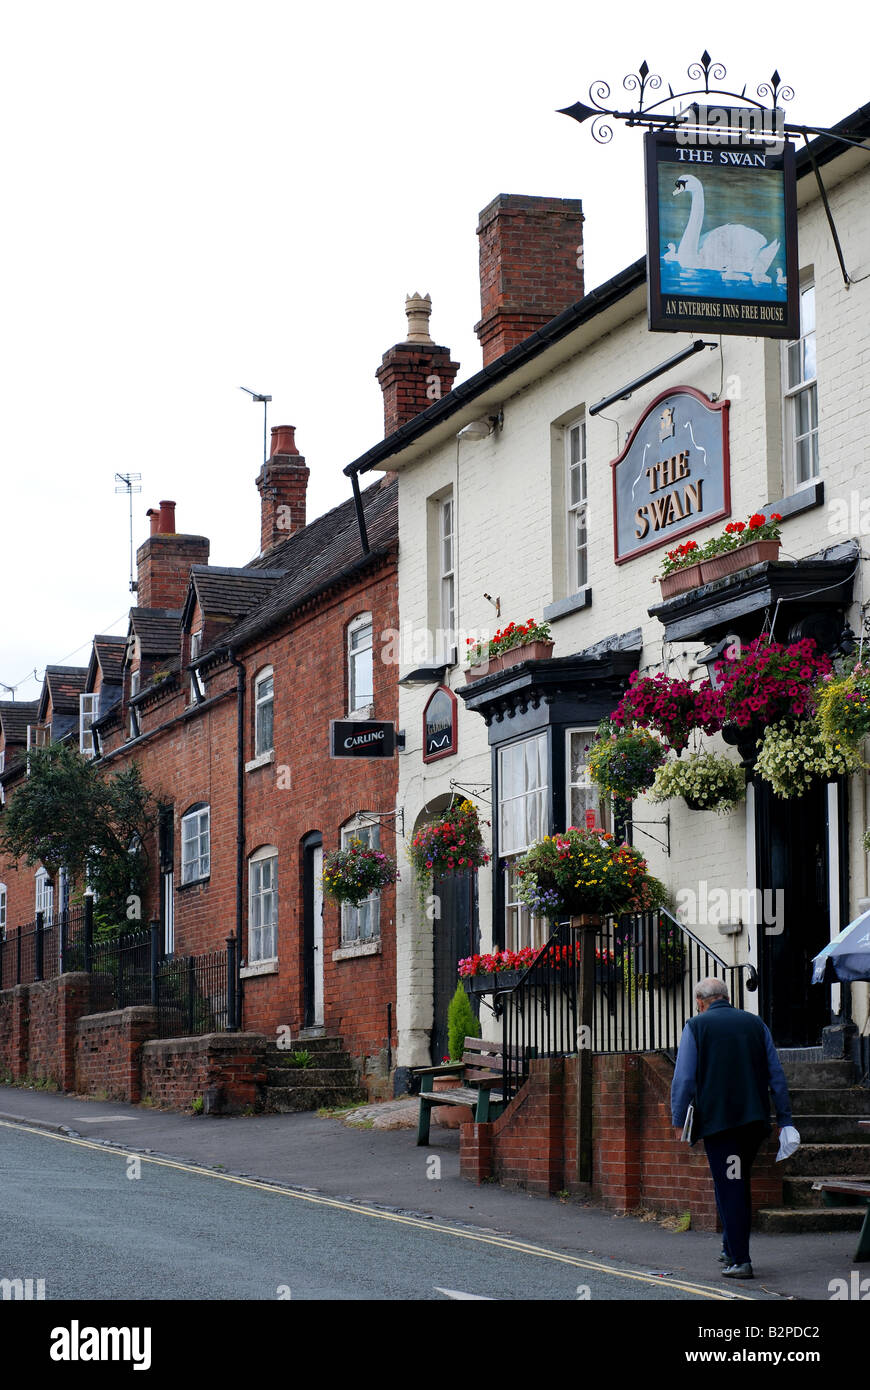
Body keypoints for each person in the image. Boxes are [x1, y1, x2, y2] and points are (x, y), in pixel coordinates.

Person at [670, 976, 793, 1279]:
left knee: (732, 1187)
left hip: (721, 1124)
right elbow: (776, 1074)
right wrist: (785, 1119)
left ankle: (741, 1259)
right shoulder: (755, 1024)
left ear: (700, 1002)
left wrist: (677, 1119)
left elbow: (684, 1078)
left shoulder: (696, 1026)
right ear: (726, 996)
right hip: (754, 1123)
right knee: (733, 1183)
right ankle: (730, 1246)